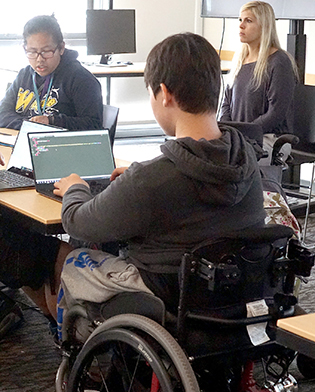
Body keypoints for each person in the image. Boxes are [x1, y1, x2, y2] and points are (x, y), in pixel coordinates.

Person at [0, 33, 266, 341]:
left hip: (159, 295)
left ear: (164, 93)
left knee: (53, 252)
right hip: (225, 296)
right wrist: (135, 182)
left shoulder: (151, 178)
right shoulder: (247, 162)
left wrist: (76, 187)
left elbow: (78, 222)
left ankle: (72, 338)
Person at [0, 14, 103, 131]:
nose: (39, 59)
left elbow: (94, 124)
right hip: (23, 142)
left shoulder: (81, 79)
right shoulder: (24, 75)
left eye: (46, 51)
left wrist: (52, 122)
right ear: (25, 48)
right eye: (32, 52)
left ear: (61, 48)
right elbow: (3, 113)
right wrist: (29, 126)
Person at [219, 1, 298, 137]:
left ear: (264, 26)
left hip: (268, 138)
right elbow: (226, 104)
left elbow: (276, 113)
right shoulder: (239, 60)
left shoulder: (279, 62)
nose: (241, 25)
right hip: (239, 138)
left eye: (248, 21)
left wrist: (244, 135)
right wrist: (227, 132)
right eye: (240, 20)